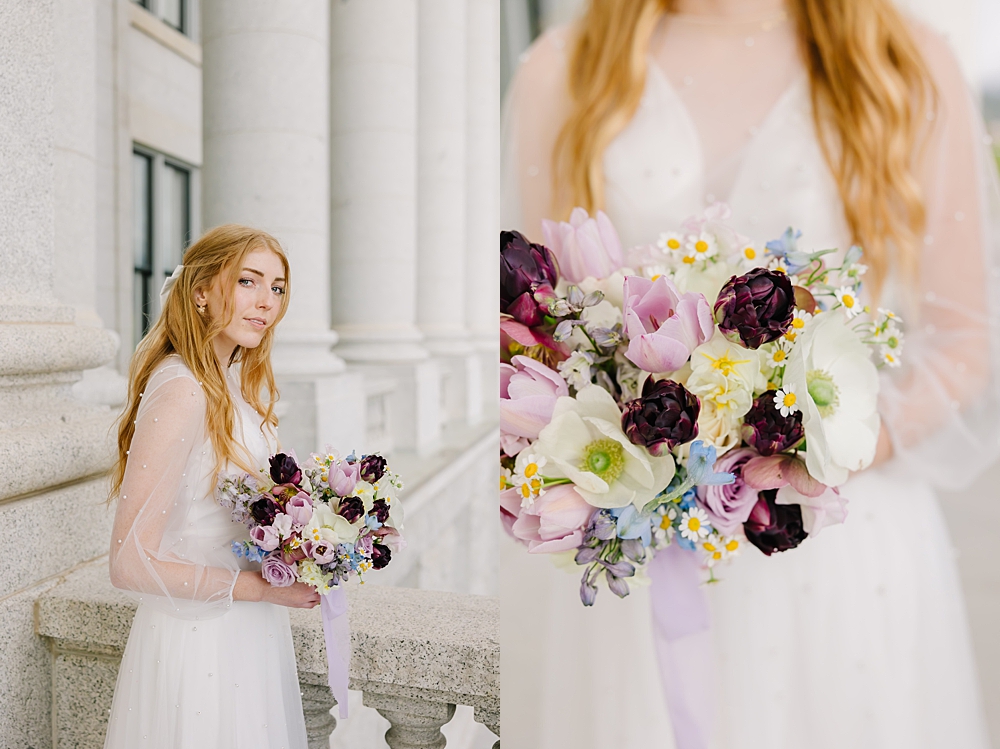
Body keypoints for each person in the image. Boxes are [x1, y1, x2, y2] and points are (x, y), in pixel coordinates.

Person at [500, 1, 999, 747]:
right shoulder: (563, 69)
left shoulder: (905, 60)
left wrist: (825, 451)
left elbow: (966, 333)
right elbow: (534, 329)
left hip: (842, 551)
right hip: (644, 559)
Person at [105, 225, 317, 749]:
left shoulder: (231, 388)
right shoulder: (182, 389)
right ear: (201, 291)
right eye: (249, 281)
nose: (266, 302)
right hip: (199, 640)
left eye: (277, 288)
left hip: (247, 633)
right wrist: (260, 588)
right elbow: (129, 563)